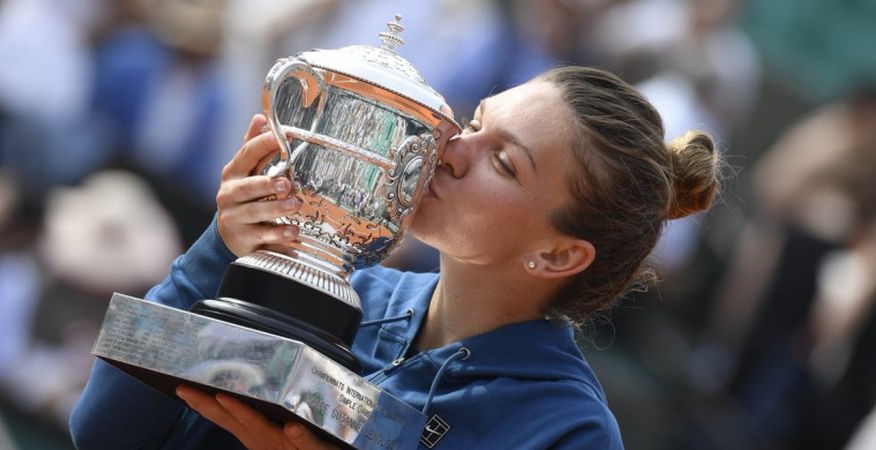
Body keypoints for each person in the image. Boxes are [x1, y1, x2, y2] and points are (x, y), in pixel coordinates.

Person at [69, 66, 721, 449]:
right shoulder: (343, 290)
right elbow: (102, 432)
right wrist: (222, 248)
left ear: (556, 254)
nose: (450, 148)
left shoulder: (566, 430)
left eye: (502, 161)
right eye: (473, 123)